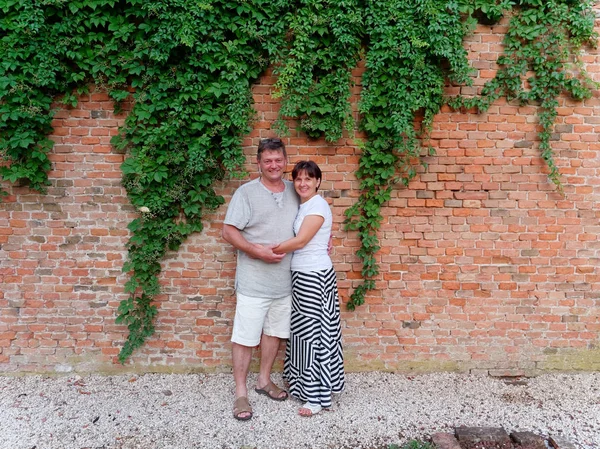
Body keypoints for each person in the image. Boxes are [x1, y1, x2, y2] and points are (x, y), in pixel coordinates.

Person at [222, 137, 299, 421]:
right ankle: (241, 393)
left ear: (285, 161)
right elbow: (228, 232)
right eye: (267, 160)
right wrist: (257, 250)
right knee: (245, 337)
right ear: (258, 163)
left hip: (285, 282)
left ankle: (263, 380)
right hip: (254, 281)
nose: (273, 165)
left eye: (278, 160)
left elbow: (310, 223)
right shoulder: (246, 193)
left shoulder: (295, 191)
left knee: (275, 333)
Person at [272, 160, 345, 417]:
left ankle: (315, 397)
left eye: (308, 179)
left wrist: (266, 250)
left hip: (314, 276)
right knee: (302, 333)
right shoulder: (304, 205)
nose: (303, 183)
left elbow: (301, 240)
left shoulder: (318, 205)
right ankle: (302, 384)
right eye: (298, 179)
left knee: (314, 335)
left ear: (318, 182)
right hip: (302, 275)